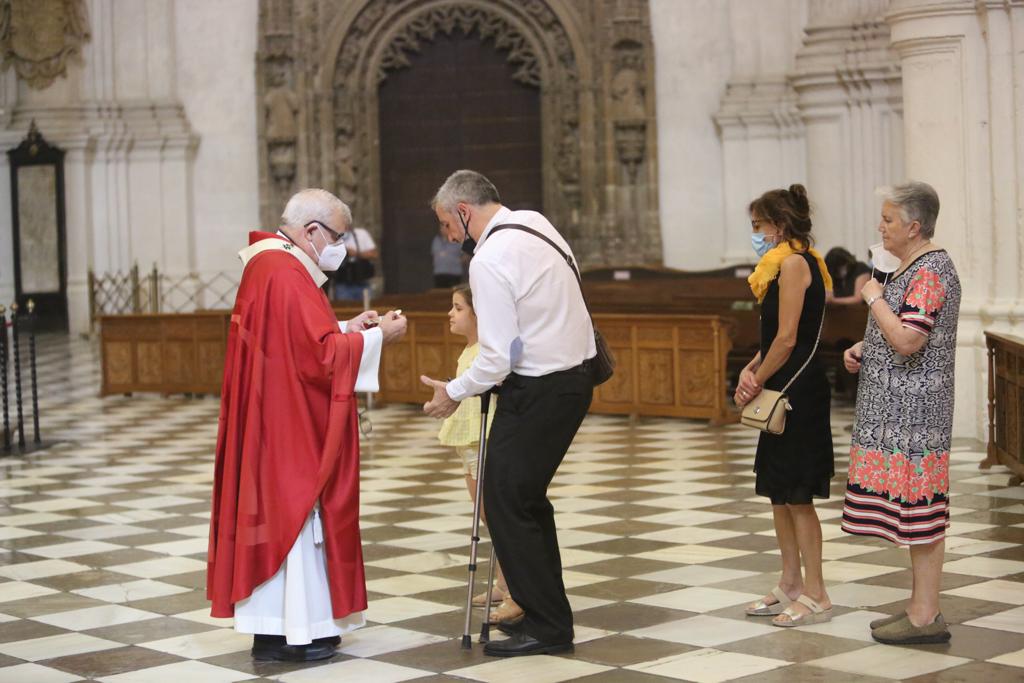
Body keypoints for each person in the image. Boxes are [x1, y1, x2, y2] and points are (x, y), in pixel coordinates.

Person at [207, 189, 407, 662]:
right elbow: (316, 359)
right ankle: (297, 631)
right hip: (287, 427)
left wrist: (345, 329)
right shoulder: (283, 270)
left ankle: (284, 628)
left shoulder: (272, 265)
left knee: (290, 518)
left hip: (274, 417)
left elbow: (298, 343)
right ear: (312, 231)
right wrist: (380, 337)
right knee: (296, 516)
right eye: (338, 236)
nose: (342, 247)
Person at [420, 169, 596, 657]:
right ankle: (543, 615)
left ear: (463, 210)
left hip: (542, 386)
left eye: (446, 224)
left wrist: (453, 391)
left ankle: (547, 624)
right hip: (570, 379)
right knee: (522, 500)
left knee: (506, 500)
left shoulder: (491, 256)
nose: (448, 236)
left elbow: (496, 356)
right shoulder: (536, 224)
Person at [841, 181, 960, 645]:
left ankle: (925, 615)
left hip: (916, 415)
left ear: (914, 226)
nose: (881, 226)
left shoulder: (930, 270)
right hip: (899, 410)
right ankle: (918, 608)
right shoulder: (912, 266)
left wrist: (871, 295)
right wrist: (863, 347)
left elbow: (911, 340)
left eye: (888, 220)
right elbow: (899, 334)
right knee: (915, 516)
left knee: (924, 515)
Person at [735, 184, 835, 628]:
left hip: (799, 391)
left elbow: (789, 338)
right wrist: (750, 368)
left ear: (778, 225)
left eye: (758, 226)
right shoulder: (779, 265)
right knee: (779, 492)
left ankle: (817, 592)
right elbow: (772, 340)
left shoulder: (795, 264)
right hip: (781, 383)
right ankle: (790, 582)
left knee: (798, 495)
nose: (755, 234)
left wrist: (757, 378)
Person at [437, 285, 521, 624]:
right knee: (487, 516)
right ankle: (504, 581)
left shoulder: (487, 350)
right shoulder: (469, 349)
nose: (451, 314)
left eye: (458, 308)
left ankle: (517, 589)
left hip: (485, 439)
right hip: (469, 442)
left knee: (497, 516)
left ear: (477, 313)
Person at [333, 225, 378, 302]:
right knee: (345, 310)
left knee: (367, 308)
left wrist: (356, 253)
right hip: (343, 282)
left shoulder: (361, 234)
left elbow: (374, 254)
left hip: (362, 281)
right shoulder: (334, 236)